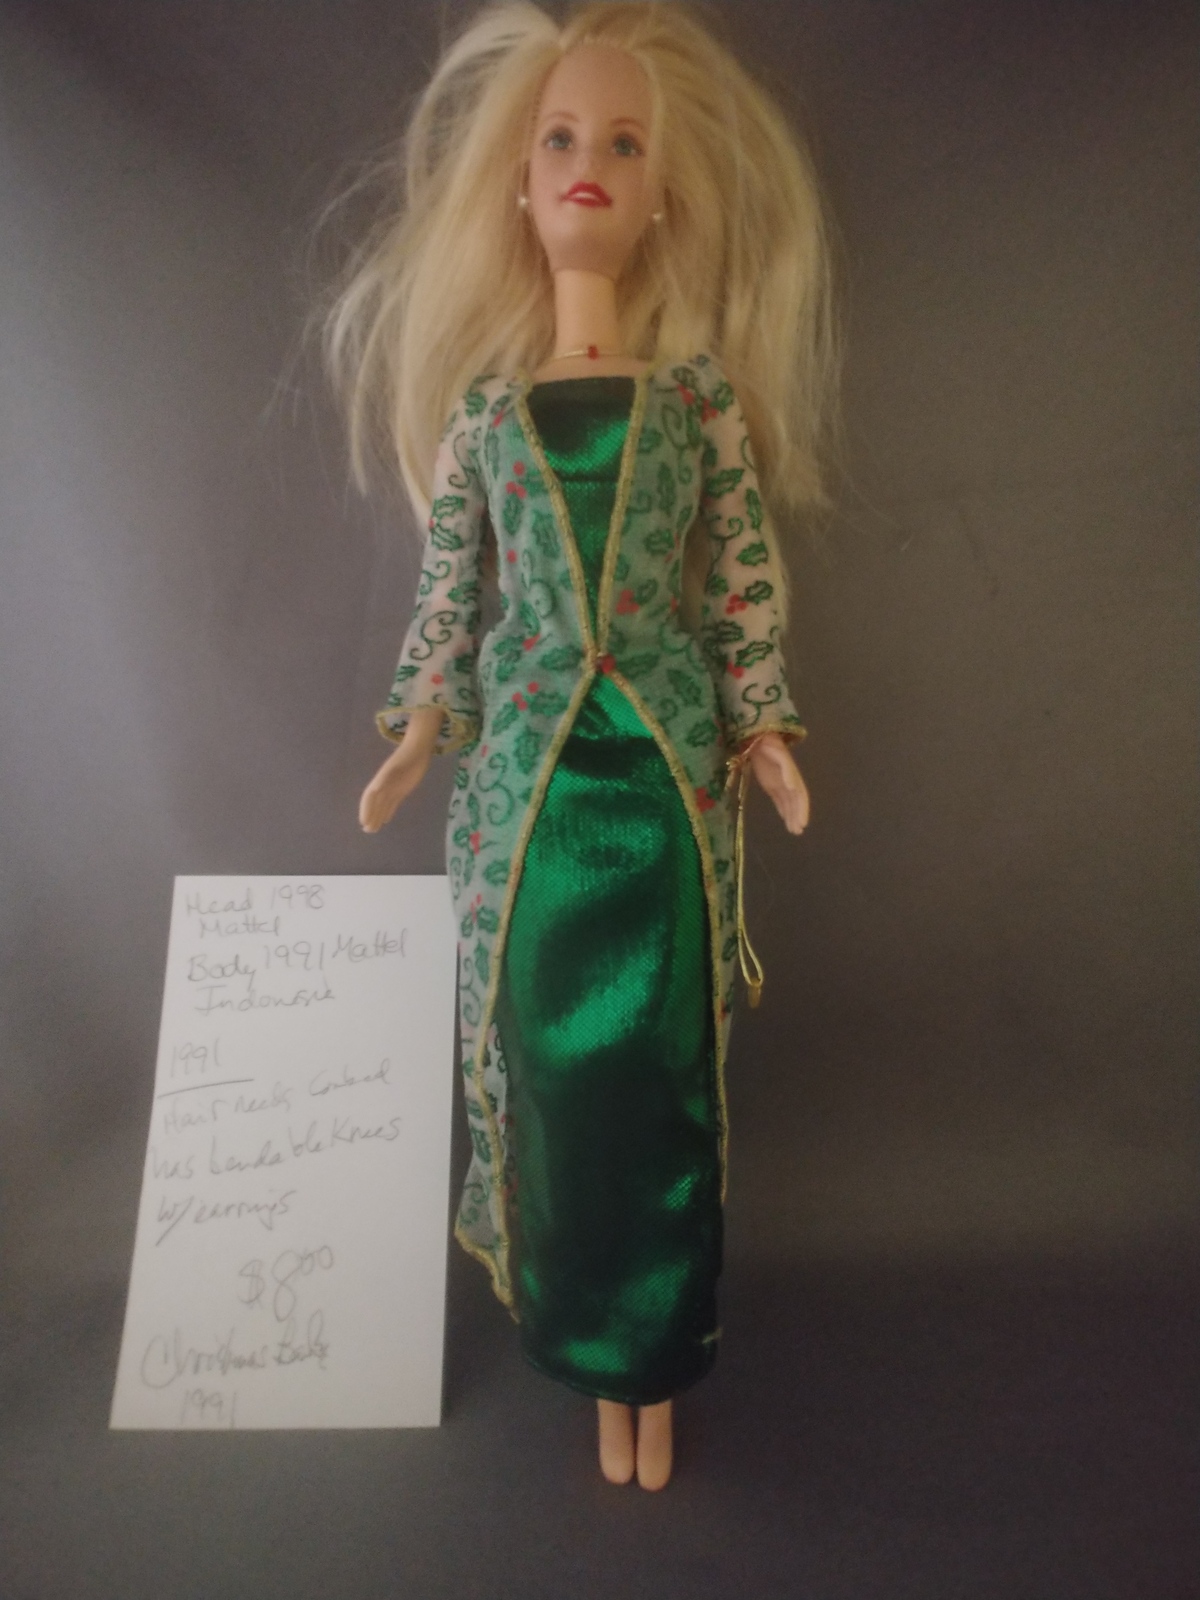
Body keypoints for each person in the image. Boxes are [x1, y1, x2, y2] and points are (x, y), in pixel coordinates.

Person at [327, 0, 835, 1490]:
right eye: (559, 140)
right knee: (557, 1084)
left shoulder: (697, 405)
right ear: (520, 184)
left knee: (660, 1081)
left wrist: (765, 727)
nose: (587, 165)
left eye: (621, 141)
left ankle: (656, 1373)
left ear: (662, 191)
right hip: (533, 807)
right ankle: (588, 1359)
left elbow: (740, 584)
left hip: (665, 792)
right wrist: (420, 731)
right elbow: (449, 600)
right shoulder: (484, 420)